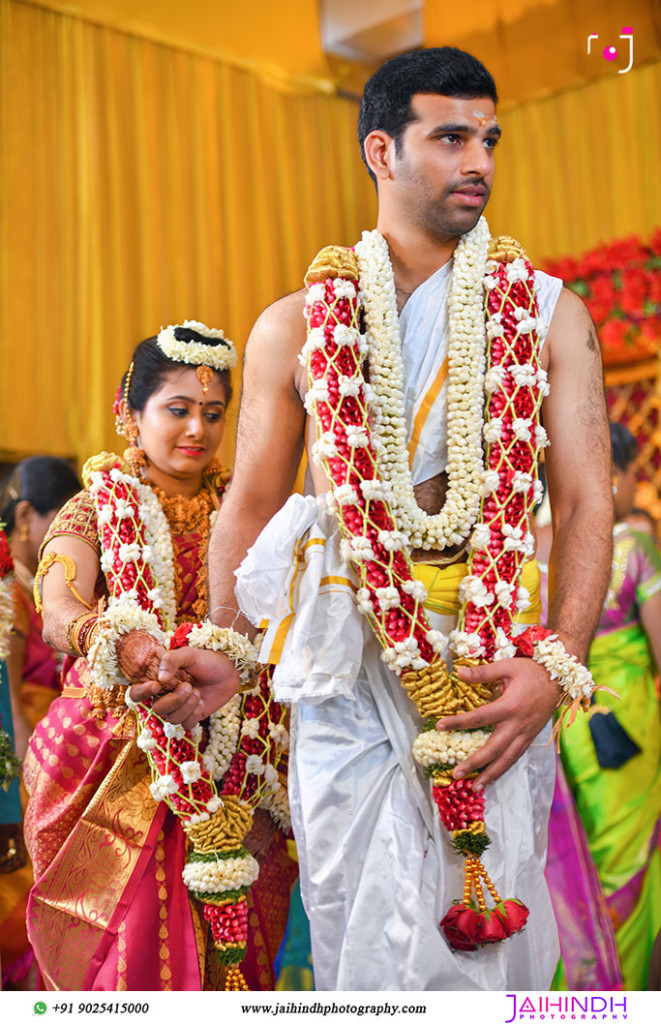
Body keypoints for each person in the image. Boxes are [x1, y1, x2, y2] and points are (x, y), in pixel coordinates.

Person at [131, 49, 613, 990]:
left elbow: (589, 500)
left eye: (488, 139)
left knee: (489, 944)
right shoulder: (295, 325)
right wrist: (227, 643)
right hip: (346, 671)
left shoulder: (550, 316)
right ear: (380, 152)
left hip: (490, 671)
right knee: (365, 926)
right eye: (449, 138)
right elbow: (256, 506)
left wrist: (556, 666)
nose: (477, 159)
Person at [22, 322, 294, 991]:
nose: (196, 429)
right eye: (177, 410)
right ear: (129, 412)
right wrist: (118, 643)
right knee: (132, 952)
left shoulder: (251, 515)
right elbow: (59, 604)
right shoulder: (93, 510)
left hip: (239, 752)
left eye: (212, 413)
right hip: (118, 752)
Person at [548, 422, 661, 990]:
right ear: (610, 476)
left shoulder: (546, 552)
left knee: (583, 864)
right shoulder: (635, 548)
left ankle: (575, 987)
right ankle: (618, 995)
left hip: (570, 725)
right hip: (629, 726)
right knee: (629, 865)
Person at [0, 457, 81, 990]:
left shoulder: (49, 587)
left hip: (55, 759)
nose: (73, 539)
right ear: (26, 517)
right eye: (64, 522)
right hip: (26, 764)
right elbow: (9, 701)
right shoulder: (10, 589)